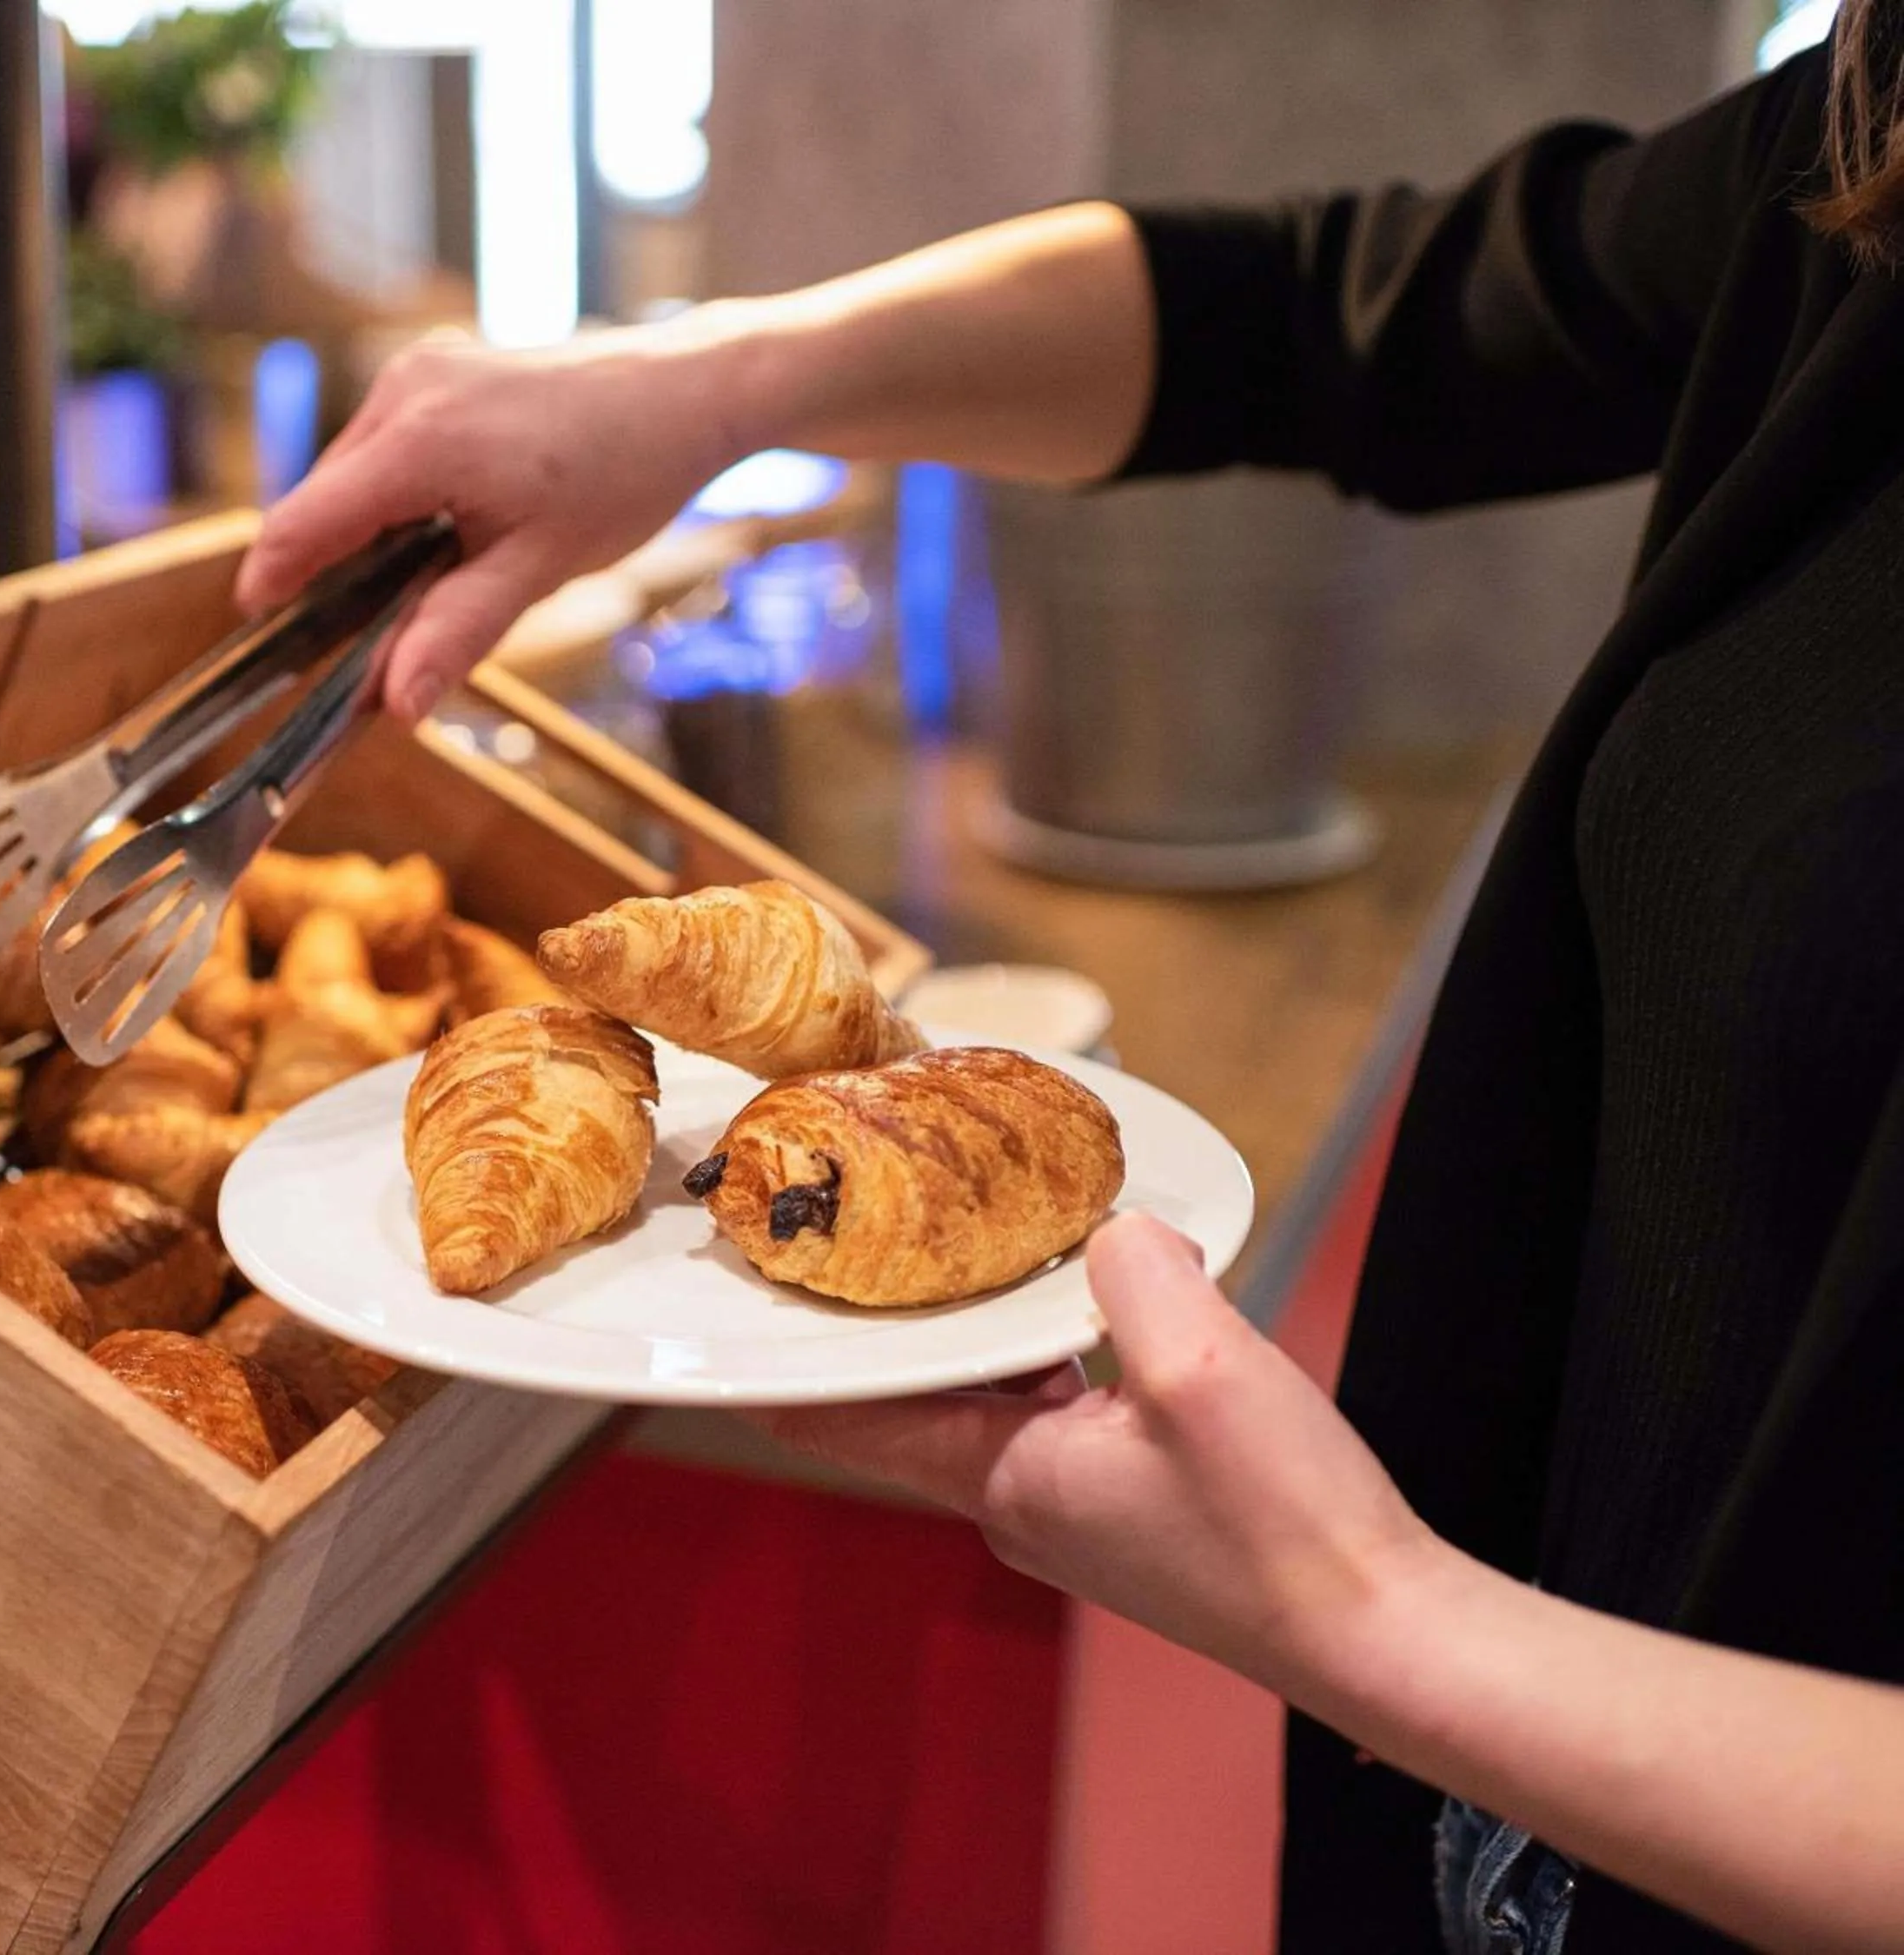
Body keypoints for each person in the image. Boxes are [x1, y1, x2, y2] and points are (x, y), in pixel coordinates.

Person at [236, 19, 1904, 1954]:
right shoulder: (1864, 137)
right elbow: (1332, 314)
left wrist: (1379, 1624)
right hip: (1502, 1831)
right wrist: (699, 384)